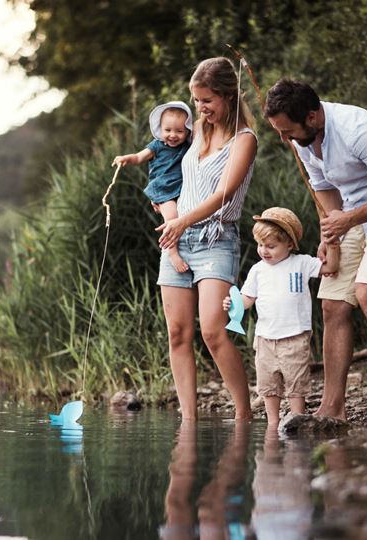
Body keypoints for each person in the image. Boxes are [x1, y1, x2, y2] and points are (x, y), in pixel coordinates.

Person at [265, 79, 367, 427]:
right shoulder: (302, 140)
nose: (284, 138)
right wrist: (331, 235)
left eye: (288, 130)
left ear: (311, 116)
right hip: (351, 217)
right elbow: (324, 189)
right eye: (279, 131)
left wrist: (347, 219)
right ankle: (332, 407)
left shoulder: (359, 129)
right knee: (333, 303)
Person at [155, 57, 258, 422]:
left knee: (214, 331)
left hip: (216, 238)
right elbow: (164, 170)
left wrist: (182, 221)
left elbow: (225, 194)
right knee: (178, 333)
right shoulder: (196, 129)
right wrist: (168, 213)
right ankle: (189, 420)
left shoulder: (245, 139)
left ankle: (244, 415)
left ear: (228, 96)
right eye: (197, 100)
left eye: (207, 100)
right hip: (177, 240)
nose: (200, 108)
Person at [221, 207, 338, 425]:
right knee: (268, 383)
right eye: (260, 245)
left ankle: (296, 418)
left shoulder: (301, 262)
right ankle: (273, 423)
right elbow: (247, 299)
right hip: (265, 338)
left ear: (290, 244)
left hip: (295, 336)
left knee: (296, 381)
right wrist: (233, 304)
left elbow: (331, 265)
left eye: (271, 246)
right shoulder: (257, 270)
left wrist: (332, 243)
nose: (264, 251)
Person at [112, 101, 194, 272]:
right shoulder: (157, 145)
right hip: (163, 189)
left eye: (179, 131)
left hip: (182, 189)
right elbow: (139, 157)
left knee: (184, 215)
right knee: (172, 218)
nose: (173, 135)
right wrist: (127, 159)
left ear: (187, 130)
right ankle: (171, 252)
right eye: (168, 130)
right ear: (160, 129)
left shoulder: (188, 146)